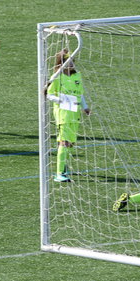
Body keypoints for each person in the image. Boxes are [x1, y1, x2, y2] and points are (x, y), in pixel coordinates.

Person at [46, 49, 90, 183]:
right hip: (63, 114)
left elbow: (80, 94)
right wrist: (60, 100)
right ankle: (59, 174)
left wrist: (85, 107)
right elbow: (48, 94)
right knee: (63, 142)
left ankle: (63, 167)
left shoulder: (77, 77)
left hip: (74, 113)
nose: (71, 64)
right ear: (61, 63)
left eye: (72, 62)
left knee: (70, 143)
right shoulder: (57, 77)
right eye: (68, 62)